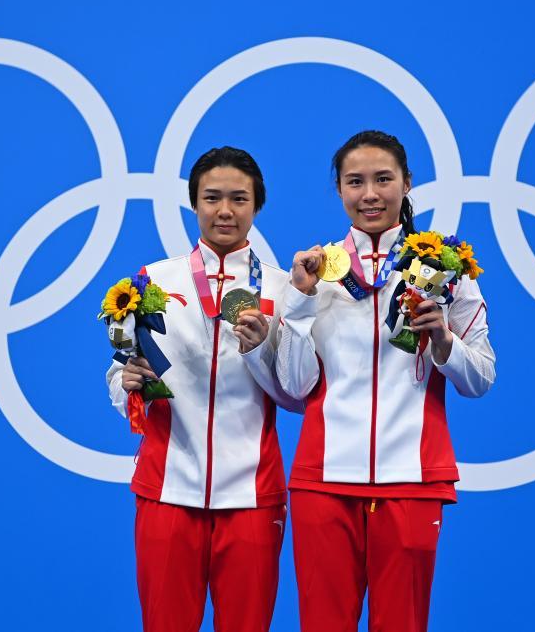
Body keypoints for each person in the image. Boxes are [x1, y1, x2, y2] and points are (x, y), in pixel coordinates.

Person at [277, 130, 496, 632]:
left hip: (413, 480)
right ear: (338, 190)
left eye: (383, 179)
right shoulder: (317, 270)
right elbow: (292, 385)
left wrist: (445, 345)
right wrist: (302, 300)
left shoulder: (448, 267)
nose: (369, 194)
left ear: (407, 183)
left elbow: (480, 377)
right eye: (355, 182)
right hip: (324, 480)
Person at [105, 146, 299, 632]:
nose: (225, 211)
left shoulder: (283, 289)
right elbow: (121, 369)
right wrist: (125, 383)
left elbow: (297, 394)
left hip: (253, 496)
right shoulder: (152, 281)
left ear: (257, 206)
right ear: (195, 203)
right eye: (212, 198)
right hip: (167, 490)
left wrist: (259, 351)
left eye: (239, 198)